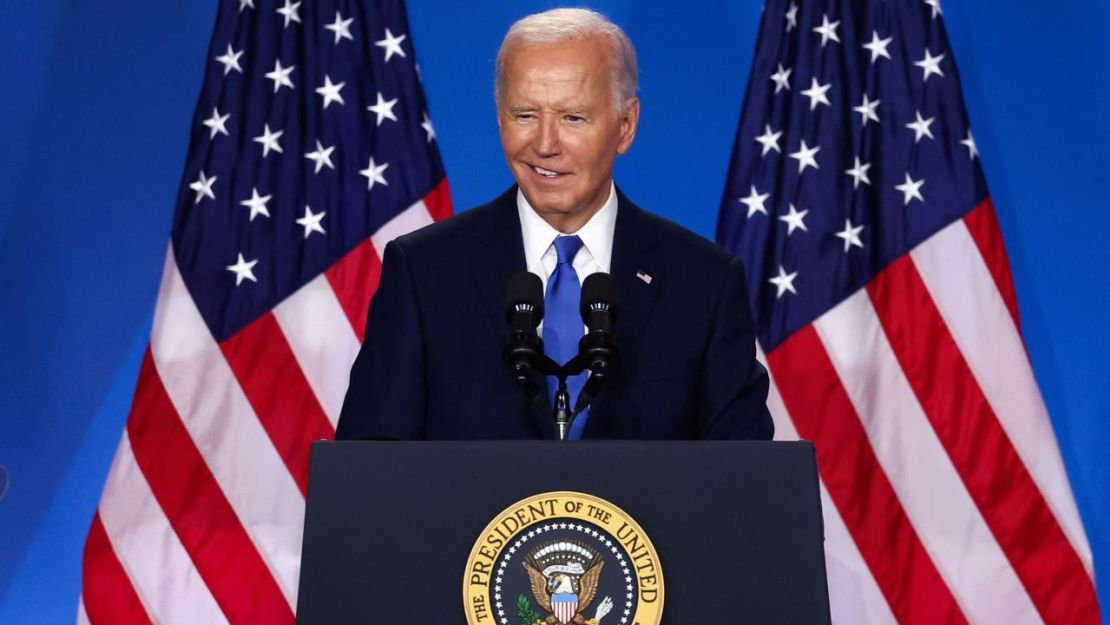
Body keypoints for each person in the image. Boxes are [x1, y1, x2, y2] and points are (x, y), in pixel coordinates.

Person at [336, 8, 772, 440]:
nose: (545, 145)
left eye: (573, 118)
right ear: (498, 114)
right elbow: (369, 476)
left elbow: (745, 486)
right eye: (525, 114)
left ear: (625, 126)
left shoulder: (704, 283)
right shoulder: (424, 272)